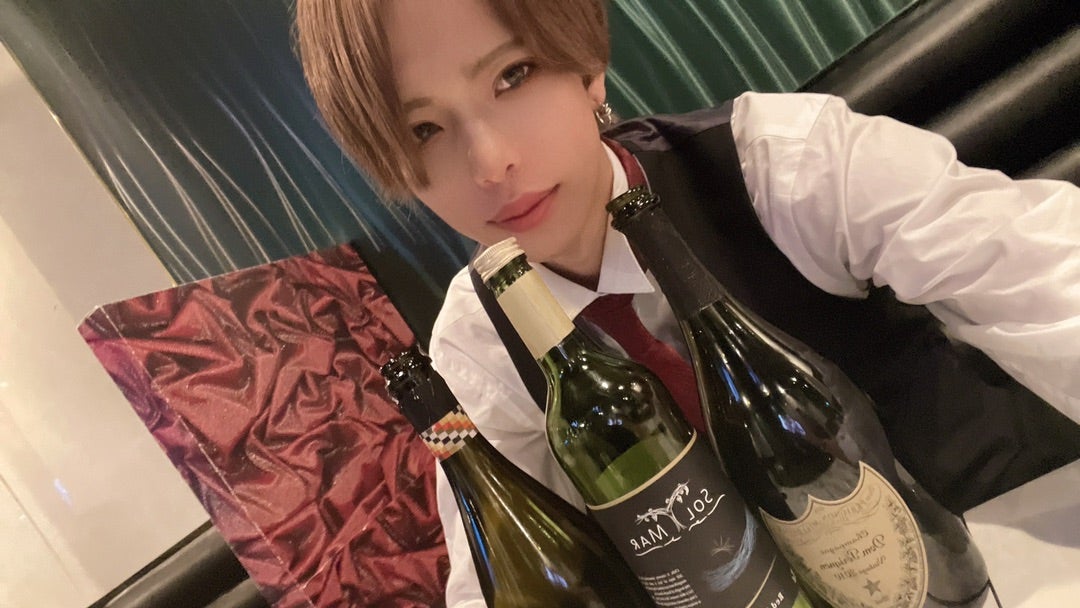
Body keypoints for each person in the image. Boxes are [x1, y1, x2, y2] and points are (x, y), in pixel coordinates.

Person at [294, 0, 1080, 605]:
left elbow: (1049, 275)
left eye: (512, 76)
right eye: (423, 129)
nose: (490, 162)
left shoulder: (785, 164)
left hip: (1004, 554)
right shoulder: (476, 350)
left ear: (586, 66)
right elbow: (493, 579)